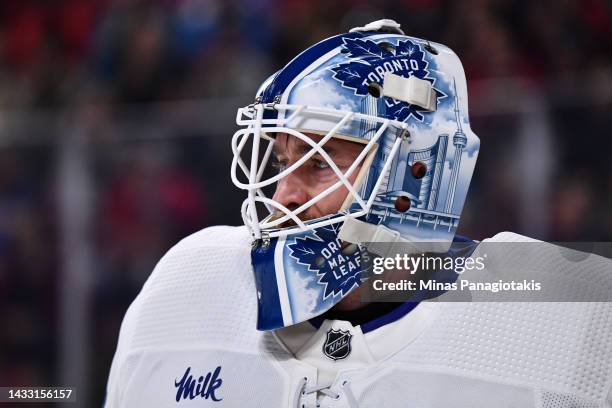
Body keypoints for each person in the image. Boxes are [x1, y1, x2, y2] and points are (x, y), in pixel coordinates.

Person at [105, 19, 612, 407]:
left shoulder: (571, 316)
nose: (284, 195)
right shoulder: (188, 288)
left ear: (417, 174)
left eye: (322, 162)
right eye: (283, 160)